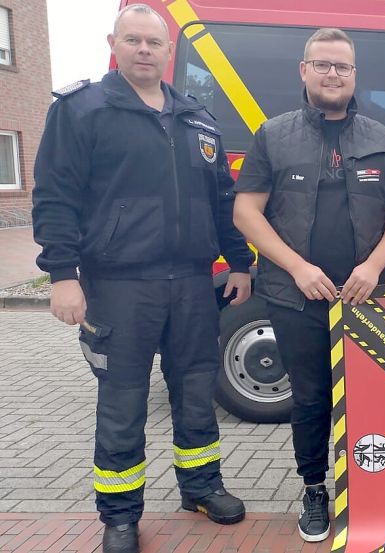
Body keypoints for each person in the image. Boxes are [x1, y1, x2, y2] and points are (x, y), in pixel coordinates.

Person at [31, 5, 253, 553]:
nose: (145, 50)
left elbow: (222, 198)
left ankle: (201, 486)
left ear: (168, 50)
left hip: (193, 282)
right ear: (115, 43)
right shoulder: (83, 109)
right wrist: (63, 275)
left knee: (196, 392)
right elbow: (55, 195)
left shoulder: (196, 116)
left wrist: (240, 262)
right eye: (133, 40)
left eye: (154, 42)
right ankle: (121, 514)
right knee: (123, 402)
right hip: (119, 285)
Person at [233, 28, 385, 543]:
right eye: (324, 64)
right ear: (304, 70)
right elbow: (247, 211)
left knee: (372, 398)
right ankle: (316, 488)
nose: (333, 74)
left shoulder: (379, 138)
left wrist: (376, 265)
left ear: (354, 75)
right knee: (311, 400)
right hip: (297, 297)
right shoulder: (273, 134)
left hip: (366, 298)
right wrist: (297, 267)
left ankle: (373, 490)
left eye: (343, 66)